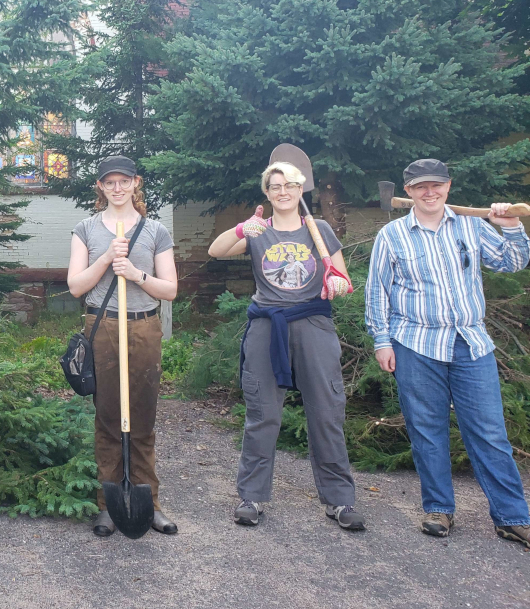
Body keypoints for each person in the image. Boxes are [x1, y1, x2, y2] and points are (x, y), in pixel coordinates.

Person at [365, 158, 530, 548]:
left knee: (489, 432)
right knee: (427, 430)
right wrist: (381, 341)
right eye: (421, 186)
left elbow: (514, 262)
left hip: (471, 343)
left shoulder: (472, 226)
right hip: (415, 345)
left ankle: (512, 517)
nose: (429, 192)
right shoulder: (392, 235)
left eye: (436, 185)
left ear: (448, 186)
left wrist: (510, 226)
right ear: (408, 191)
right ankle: (438, 508)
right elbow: (377, 291)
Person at [208, 161, 363, 531]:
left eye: (289, 185)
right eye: (275, 186)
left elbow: (341, 277)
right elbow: (216, 250)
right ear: (267, 192)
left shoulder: (319, 229)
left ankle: (339, 501)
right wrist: (242, 227)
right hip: (267, 325)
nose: (282, 192)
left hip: (313, 324)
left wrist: (338, 284)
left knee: (326, 411)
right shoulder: (259, 230)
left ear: (300, 190)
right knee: (263, 413)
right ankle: (252, 497)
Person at [67, 156, 179, 537]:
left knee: (143, 418)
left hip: (144, 327)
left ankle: (152, 505)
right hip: (102, 326)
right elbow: (76, 286)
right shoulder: (85, 228)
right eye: (109, 182)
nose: (117, 188)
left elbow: (171, 290)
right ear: (100, 187)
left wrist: (135, 273)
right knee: (109, 418)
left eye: (124, 181)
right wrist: (106, 259)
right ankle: (108, 505)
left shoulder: (155, 231)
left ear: (136, 183)